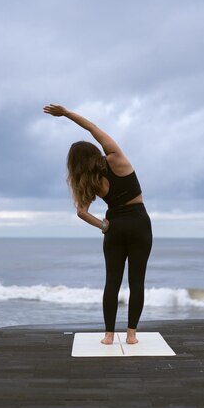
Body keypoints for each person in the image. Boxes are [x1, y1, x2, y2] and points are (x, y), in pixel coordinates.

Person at [43, 104, 153, 345]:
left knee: (112, 281)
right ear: (95, 151)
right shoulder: (116, 157)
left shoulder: (87, 182)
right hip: (139, 223)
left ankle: (109, 336)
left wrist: (103, 226)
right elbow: (92, 127)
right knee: (137, 281)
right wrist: (67, 114)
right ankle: (132, 335)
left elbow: (81, 212)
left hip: (114, 227)